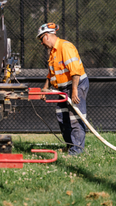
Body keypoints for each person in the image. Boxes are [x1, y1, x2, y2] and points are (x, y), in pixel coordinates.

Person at [36, 23, 89, 156]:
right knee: (62, 116)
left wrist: (75, 90)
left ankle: (77, 150)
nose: (41, 43)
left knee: (75, 117)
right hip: (63, 88)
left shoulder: (65, 47)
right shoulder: (53, 52)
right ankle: (70, 145)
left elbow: (75, 71)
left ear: (47, 36)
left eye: (41, 39)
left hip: (75, 84)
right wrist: (45, 88)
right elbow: (51, 73)